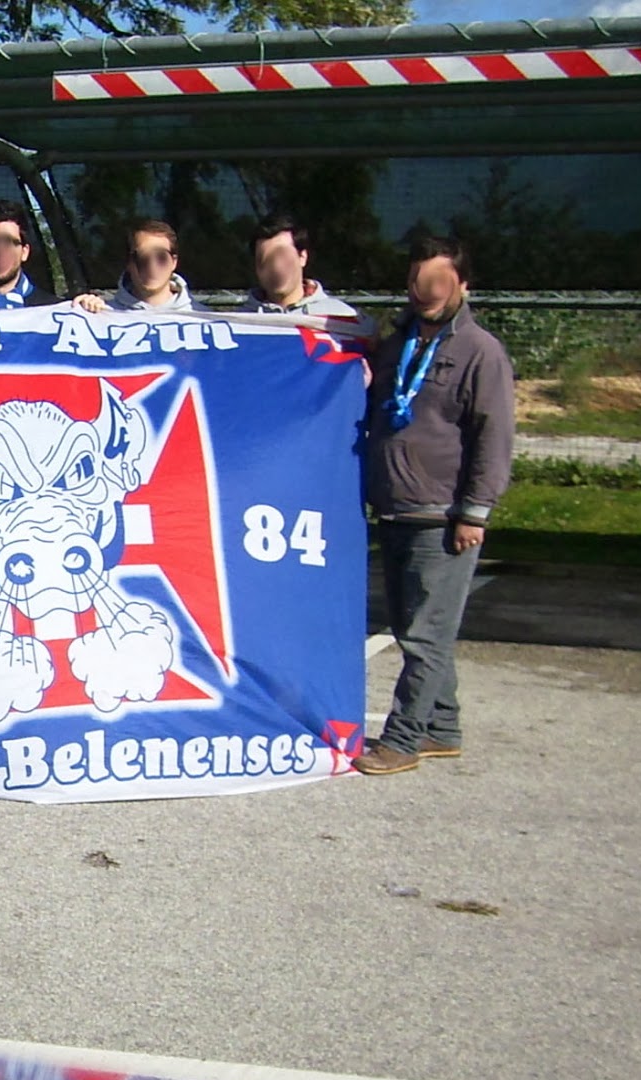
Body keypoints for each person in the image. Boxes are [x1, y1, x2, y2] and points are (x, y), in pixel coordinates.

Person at [354, 237, 514, 777]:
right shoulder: (397, 342)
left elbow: (495, 435)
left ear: (462, 285)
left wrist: (476, 511)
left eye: (438, 284)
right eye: (418, 283)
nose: (426, 294)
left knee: (425, 635)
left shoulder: (479, 350)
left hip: (442, 515)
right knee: (415, 628)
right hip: (394, 509)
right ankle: (442, 727)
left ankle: (402, 740)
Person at [241, 215, 361, 319]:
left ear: (302, 257)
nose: (275, 267)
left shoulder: (342, 320)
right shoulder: (239, 325)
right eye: (265, 260)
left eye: (283, 256)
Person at [72, 220, 197, 313]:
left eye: (161, 256)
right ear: (129, 263)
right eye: (141, 258)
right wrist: (82, 313)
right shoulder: (101, 314)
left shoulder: (204, 321)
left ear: (174, 262)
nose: (151, 265)